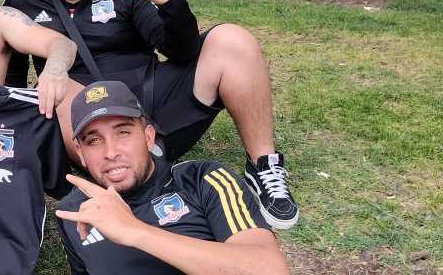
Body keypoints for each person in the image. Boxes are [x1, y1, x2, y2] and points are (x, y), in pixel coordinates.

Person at [2, 0, 298, 229]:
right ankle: (130, 190)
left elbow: (181, 51)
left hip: (152, 106)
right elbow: (10, 81)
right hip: (82, 121)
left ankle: (263, 166)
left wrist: (172, 0)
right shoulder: (21, 0)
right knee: (60, 89)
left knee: (233, 40)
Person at [54, 81, 290, 275]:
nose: (111, 152)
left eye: (123, 132)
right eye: (93, 141)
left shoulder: (203, 180)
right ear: (81, 153)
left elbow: (269, 268)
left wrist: (135, 231)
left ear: (148, 137)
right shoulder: (74, 212)